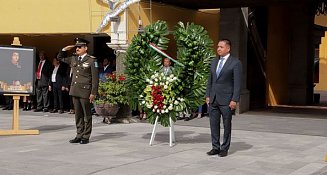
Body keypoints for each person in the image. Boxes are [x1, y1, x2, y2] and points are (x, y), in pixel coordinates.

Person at [57, 38, 99, 144]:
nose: (77, 49)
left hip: (85, 91)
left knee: (87, 115)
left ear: (86, 48)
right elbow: (60, 58)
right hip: (75, 90)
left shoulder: (91, 60)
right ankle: (79, 134)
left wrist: (93, 93)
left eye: (80, 47)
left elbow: (95, 79)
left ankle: (86, 136)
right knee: (78, 115)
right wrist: (64, 49)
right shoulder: (74, 59)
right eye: (76, 47)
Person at [205, 39, 242, 157]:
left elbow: (237, 83)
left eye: (221, 47)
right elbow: (210, 80)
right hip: (213, 99)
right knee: (213, 124)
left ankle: (224, 148)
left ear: (228, 48)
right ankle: (215, 147)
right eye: (217, 47)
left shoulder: (235, 63)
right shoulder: (214, 62)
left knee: (227, 124)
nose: (218, 49)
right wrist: (208, 95)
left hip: (227, 100)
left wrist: (234, 99)